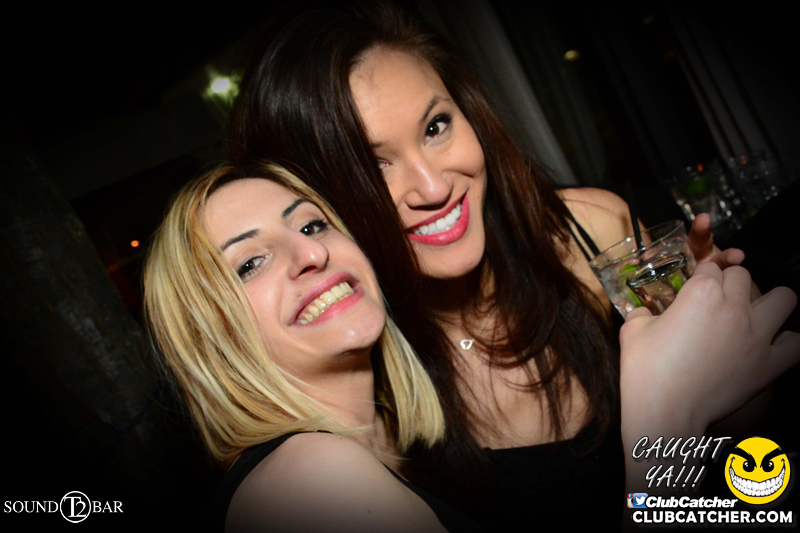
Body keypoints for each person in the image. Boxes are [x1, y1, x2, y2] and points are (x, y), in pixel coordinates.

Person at [228, 2, 800, 529]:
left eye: (435, 127)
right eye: (372, 166)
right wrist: (667, 422)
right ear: (311, 204)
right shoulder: (359, 383)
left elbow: (741, 463)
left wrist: (722, 333)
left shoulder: (591, 232)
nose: (434, 187)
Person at [143, 162, 487, 532]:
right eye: (251, 264)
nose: (312, 253)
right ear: (209, 339)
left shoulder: (391, 446)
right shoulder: (313, 478)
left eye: (312, 226)